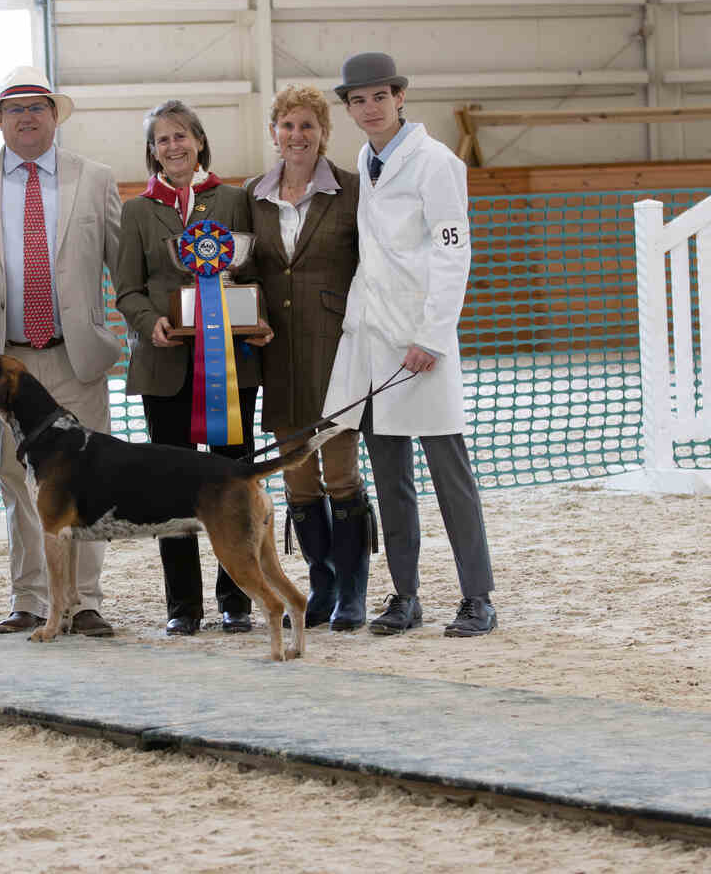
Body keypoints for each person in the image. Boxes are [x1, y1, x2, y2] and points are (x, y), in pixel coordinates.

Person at [0, 65, 121, 637]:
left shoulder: (95, 178)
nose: (25, 117)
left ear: (54, 116)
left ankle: (86, 600)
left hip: (76, 356)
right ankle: (30, 598)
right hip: (4, 366)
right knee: (17, 481)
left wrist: (155, 327)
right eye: (14, 109)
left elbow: (126, 267)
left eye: (36, 107)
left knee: (88, 480)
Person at [323, 52, 497, 637]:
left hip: (422, 347)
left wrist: (432, 335)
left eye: (379, 96)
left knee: (451, 477)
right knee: (390, 479)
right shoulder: (365, 160)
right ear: (348, 109)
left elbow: (454, 252)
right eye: (357, 100)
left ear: (400, 97)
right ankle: (405, 596)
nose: (369, 108)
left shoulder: (437, 163)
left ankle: (478, 596)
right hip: (373, 344)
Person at [114, 99, 273, 637]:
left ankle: (238, 598)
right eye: (162, 140)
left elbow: (258, 273)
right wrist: (147, 321)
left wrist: (259, 321)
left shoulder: (234, 200)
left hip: (230, 367)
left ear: (200, 141)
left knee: (233, 485)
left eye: (181, 136)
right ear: (151, 152)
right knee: (169, 490)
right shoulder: (137, 211)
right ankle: (182, 606)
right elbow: (127, 289)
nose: (173, 146)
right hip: (162, 367)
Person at [245, 84, 375, 632]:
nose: (297, 136)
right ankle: (319, 584)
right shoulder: (251, 195)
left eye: (308, 127)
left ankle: (353, 592)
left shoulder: (351, 190)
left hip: (338, 351)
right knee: (297, 481)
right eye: (287, 126)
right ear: (274, 132)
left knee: (342, 475)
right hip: (276, 356)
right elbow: (245, 271)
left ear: (324, 133)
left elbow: (373, 264)